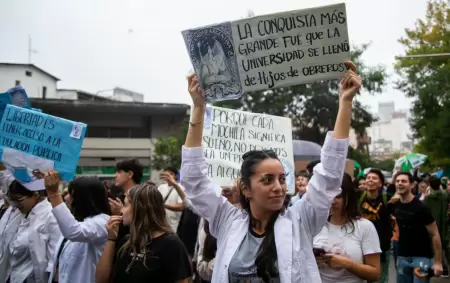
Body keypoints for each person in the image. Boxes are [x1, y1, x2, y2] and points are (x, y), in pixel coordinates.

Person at [181, 61, 360, 282]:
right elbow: (193, 179)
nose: (278, 187)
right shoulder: (226, 221)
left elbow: (330, 174)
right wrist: (198, 107)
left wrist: (345, 102)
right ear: (246, 189)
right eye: (267, 180)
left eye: (282, 179)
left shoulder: (301, 221)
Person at [95, 184, 193, 283]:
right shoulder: (127, 241)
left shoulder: (171, 244)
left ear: (139, 209)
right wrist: (111, 239)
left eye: (125, 205)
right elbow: (100, 279)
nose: (121, 210)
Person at [44, 171, 111, 283]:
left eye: (71, 194)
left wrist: (54, 194)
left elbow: (73, 232)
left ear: (84, 198)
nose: (66, 198)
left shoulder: (102, 222)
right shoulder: (79, 220)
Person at [313, 173, 381, 282]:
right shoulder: (315, 225)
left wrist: (347, 264)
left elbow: (375, 274)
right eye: (328, 196)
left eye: (338, 196)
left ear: (348, 196)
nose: (332, 201)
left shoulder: (365, 227)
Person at [389, 172, 443, 282]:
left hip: (421, 257)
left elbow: (435, 234)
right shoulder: (395, 204)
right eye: (397, 181)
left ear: (412, 185)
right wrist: (391, 202)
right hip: (402, 256)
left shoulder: (421, 207)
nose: (400, 183)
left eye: (404, 181)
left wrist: (438, 262)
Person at [5, 180, 61, 283]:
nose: (15, 204)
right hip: (14, 276)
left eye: (19, 199)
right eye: (12, 200)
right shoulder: (19, 214)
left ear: (35, 195)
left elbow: (54, 258)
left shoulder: (50, 216)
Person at [358, 168, 392, 282]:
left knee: (380, 279)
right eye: (368, 178)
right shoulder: (358, 198)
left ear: (380, 183)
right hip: (360, 247)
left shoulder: (388, 199)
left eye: (374, 178)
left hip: (381, 248)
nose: (370, 180)